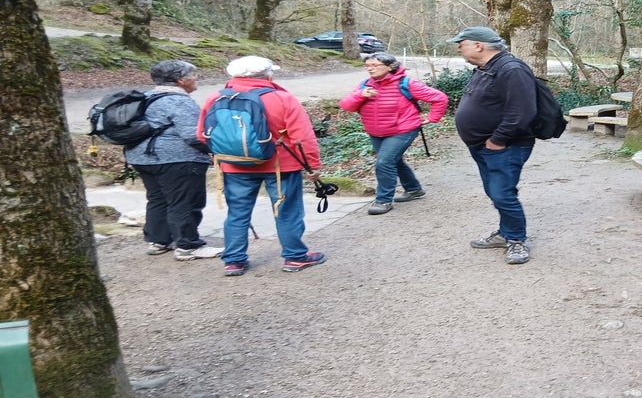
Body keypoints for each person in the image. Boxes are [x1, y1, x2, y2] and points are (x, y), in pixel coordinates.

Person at [196, 55, 326, 276]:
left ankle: (234, 261)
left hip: (234, 166)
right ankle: (295, 257)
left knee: (237, 213)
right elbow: (302, 138)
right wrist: (312, 166)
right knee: (287, 211)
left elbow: (202, 134)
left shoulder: (215, 98)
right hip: (280, 166)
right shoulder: (282, 98)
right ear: (267, 75)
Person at [449, 26, 537, 265]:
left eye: (461, 44)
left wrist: (498, 139)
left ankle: (516, 240)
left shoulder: (511, 69)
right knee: (495, 191)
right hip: (483, 145)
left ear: (479, 45)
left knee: (502, 193)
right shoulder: (486, 68)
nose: (459, 48)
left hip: (505, 145)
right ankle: (505, 233)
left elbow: (522, 111)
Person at [126, 60, 223, 260]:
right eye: (193, 74)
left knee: (158, 199)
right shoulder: (180, 101)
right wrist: (214, 151)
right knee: (184, 201)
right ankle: (188, 246)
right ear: (180, 80)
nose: (196, 78)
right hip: (176, 159)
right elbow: (193, 135)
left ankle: (158, 241)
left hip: (141, 158)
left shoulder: (146, 97)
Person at [339, 53, 449, 215]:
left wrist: (433, 118)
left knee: (384, 162)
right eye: (367, 66)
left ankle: (383, 200)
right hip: (376, 131)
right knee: (393, 161)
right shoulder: (364, 85)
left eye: (375, 65)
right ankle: (413, 189)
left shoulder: (406, 83)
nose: (370, 69)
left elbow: (439, 98)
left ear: (390, 66)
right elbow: (346, 106)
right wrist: (360, 95)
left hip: (403, 129)